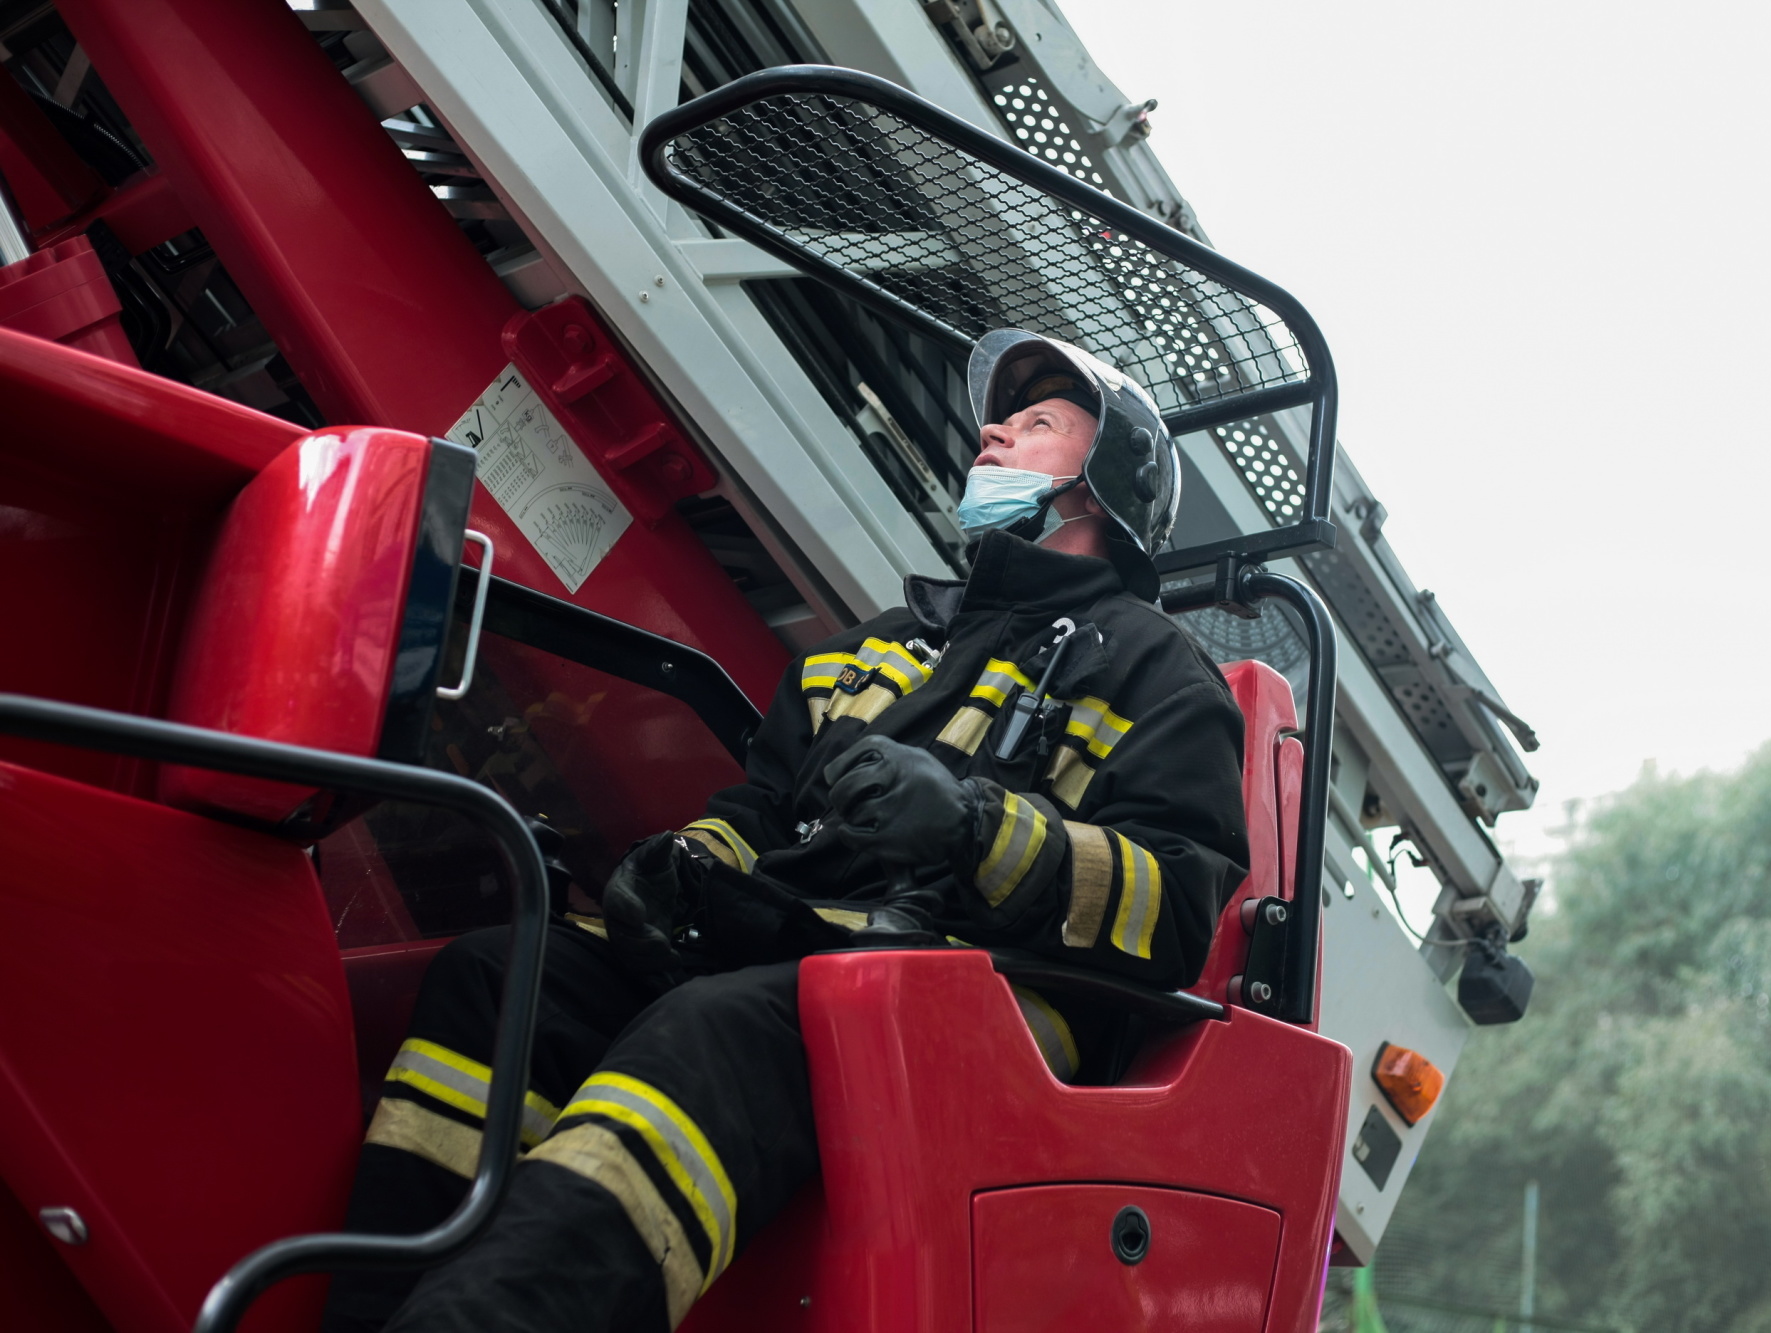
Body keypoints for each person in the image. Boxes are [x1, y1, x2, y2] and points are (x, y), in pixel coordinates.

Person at [323, 329, 1250, 1333]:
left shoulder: (1160, 672)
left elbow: (1175, 903)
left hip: (965, 1000)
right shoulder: (892, 643)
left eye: (1034, 424)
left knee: (712, 1032)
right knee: (502, 978)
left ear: (1097, 490)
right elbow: (761, 810)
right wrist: (684, 865)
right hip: (794, 950)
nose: (989, 430)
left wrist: (969, 828)